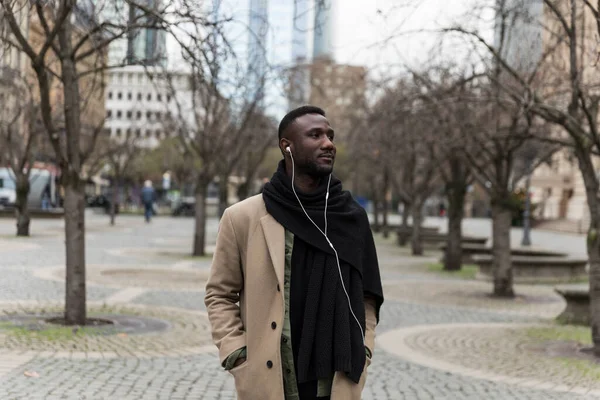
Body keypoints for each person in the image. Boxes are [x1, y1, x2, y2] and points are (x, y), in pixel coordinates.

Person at [205, 106, 384, 400]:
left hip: (337, 378)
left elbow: (367, 295)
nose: (328, 143)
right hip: (271, 377)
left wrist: (364, 348)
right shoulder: (243, 217)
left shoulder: (351, 217)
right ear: (286, 146)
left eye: (330, 135)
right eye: (315, 135)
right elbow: (219, 294)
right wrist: (235, 352)